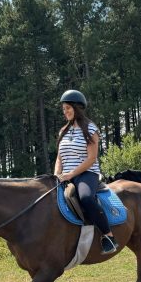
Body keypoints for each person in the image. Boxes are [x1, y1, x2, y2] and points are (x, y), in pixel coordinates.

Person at [54, 89, 118, 255]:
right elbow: (59, 158)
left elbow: (91, 158)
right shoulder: (63, 131)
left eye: (68, 108)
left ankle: (108, 235)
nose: (65, 111)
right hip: (66, 175)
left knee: (86, 197)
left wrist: (70, 175)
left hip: (87, 174)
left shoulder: (90, 128)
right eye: (63, 109)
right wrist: (56, 175)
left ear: (77, 107)